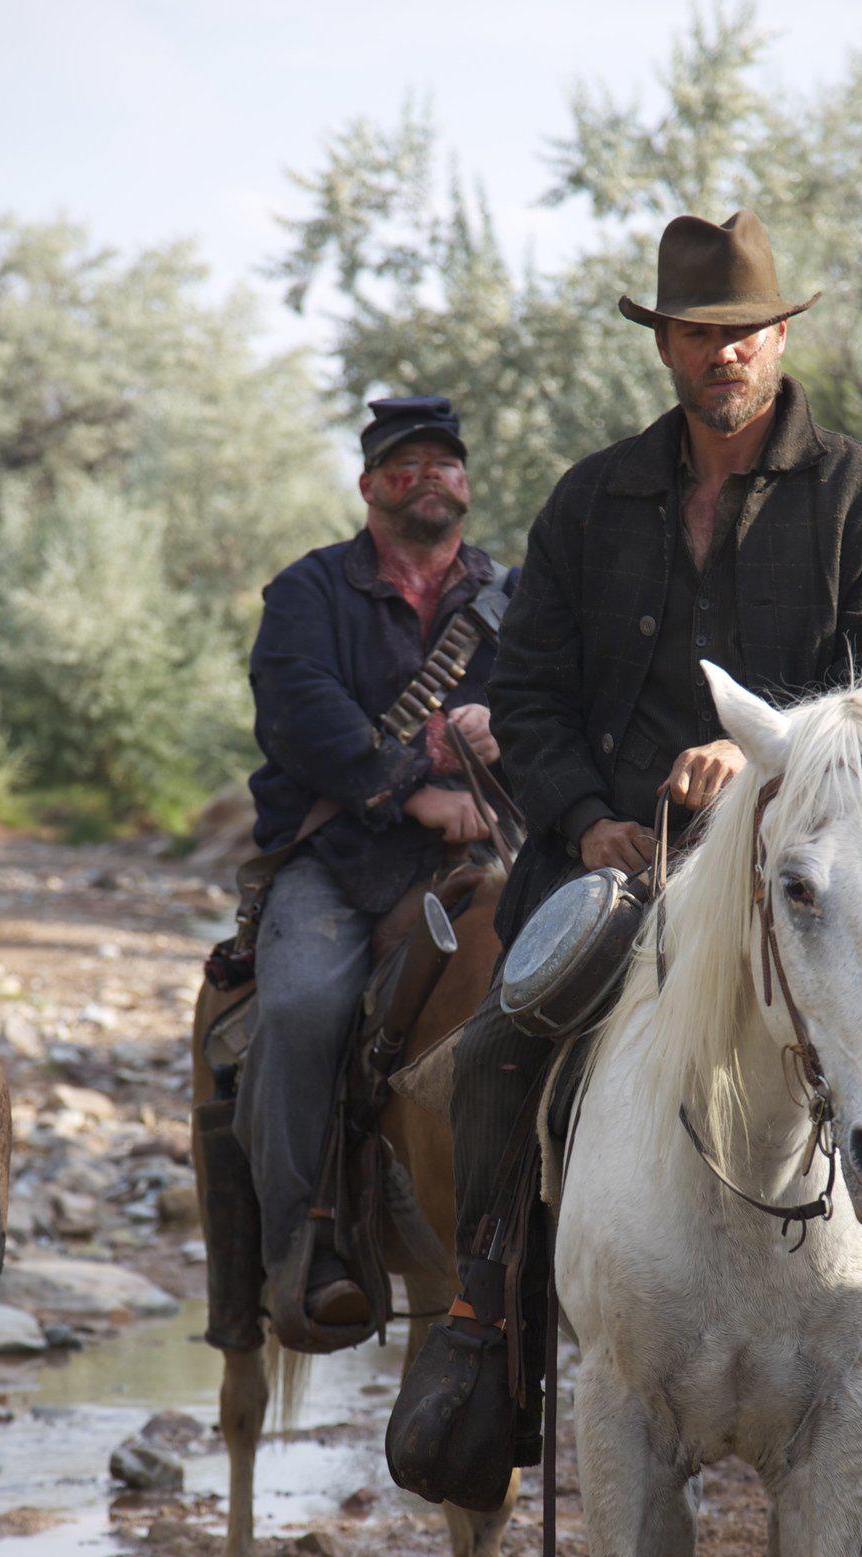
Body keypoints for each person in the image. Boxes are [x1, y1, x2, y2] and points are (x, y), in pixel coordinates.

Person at [387, 210, 862, 1518]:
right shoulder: (590, 500)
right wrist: (587, 817)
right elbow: (528, 698)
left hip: (823, 865)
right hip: (619, 864)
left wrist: (759, 771)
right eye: (699, 332)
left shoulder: (859, 494)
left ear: (782, 336)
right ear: (665, 346)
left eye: (746, 331)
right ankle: (486, 1342)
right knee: (500, 1046)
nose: (725, 352)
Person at [236, 396, 513, 1352]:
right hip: (344, 858)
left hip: (492, 851)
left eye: (446, 463)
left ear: (466, 485)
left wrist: (505, 729)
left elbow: (558, 700)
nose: (429, 477)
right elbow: (300, 715)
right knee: (301, 1008)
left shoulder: (517, 598)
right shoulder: (306, 593)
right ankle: (303, 1248)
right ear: (368, 487)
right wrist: (418, 783)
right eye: (407, 465)